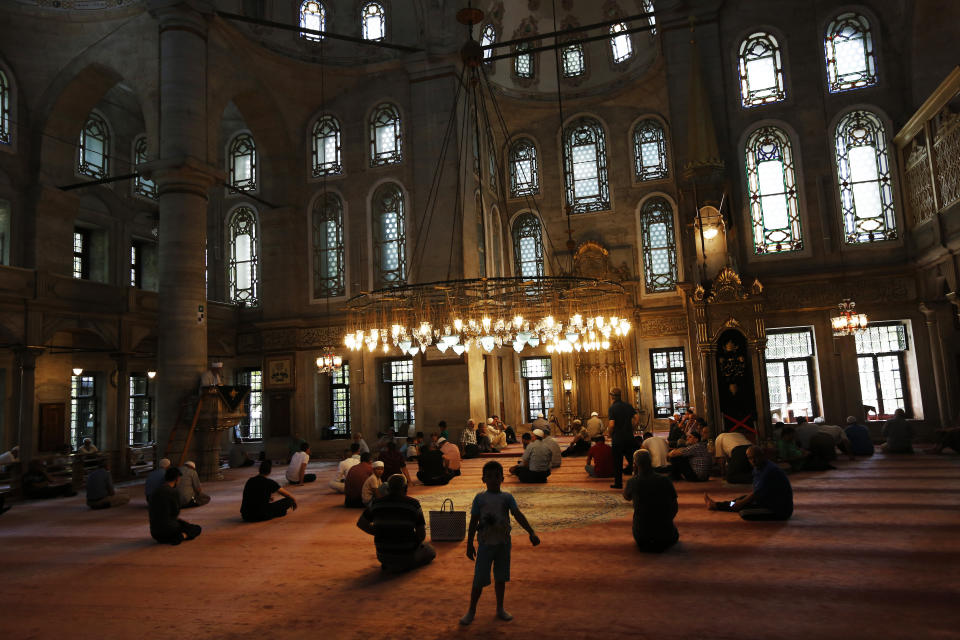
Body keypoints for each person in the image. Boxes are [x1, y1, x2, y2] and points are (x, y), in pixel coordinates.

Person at [461, 461, 540, 626]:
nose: (493, 480)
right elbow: (473, 522)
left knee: (501, 577)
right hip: (485, 544)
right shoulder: (480, 498)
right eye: (489, 477)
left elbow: (517, 514)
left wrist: (530, 531)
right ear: (483, 479)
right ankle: (471, 610)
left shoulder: (507, 497)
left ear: (502, 478)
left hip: (503, 544)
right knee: (479, 580)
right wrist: (469, 544)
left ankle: (500, 608)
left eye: (496, 476)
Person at [356, 473, 436, 573]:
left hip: (383, 554)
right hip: (406, 553)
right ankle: (406, 564)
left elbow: (361, 524)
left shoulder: (377, 503)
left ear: (388, 488)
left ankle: (392, 563)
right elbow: (421, 534)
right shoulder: (413, 504)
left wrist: (381, 532)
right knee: (430, 551)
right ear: (405, 488)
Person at [705, 446, 793, 521]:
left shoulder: (770, 471)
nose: (753, 460)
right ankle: (716, 505)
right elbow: (757, 492)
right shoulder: (757, 468)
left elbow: (757, 493)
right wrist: (740, 502)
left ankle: (730, 506)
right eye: (750, 458)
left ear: (762, 456)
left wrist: (741, 503)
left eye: (755, 457)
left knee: (744, 512)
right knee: (737, 501)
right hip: (765, 501)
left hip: (778, 509)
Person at [623, 450, 679, 552]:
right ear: (651, 461)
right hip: (666, 537)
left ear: (635, 465)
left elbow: (626, 496)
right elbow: (675, 507)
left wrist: (634, 475)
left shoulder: (633, 482)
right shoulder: (665, 480)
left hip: (642, 538)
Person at [149, 467, 202, 544]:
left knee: (181, 523)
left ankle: (173, 537)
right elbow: (175, 512)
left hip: (155, 533)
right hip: (170, 530)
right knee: (196, 528)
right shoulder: (173, 492)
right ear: (177, 479)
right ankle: (182, 536)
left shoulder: (155, 491)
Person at [606, 387, 639, 489]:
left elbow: (611, 425)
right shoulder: (628, 406)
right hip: (629, 437)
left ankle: (618, 483)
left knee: (617, 462)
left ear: (612, 396)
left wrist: (609, 434)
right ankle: (639, 480)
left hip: (618, 439)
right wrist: (633, 428)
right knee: (633, 460)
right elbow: (637, 417)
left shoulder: (612, 408)